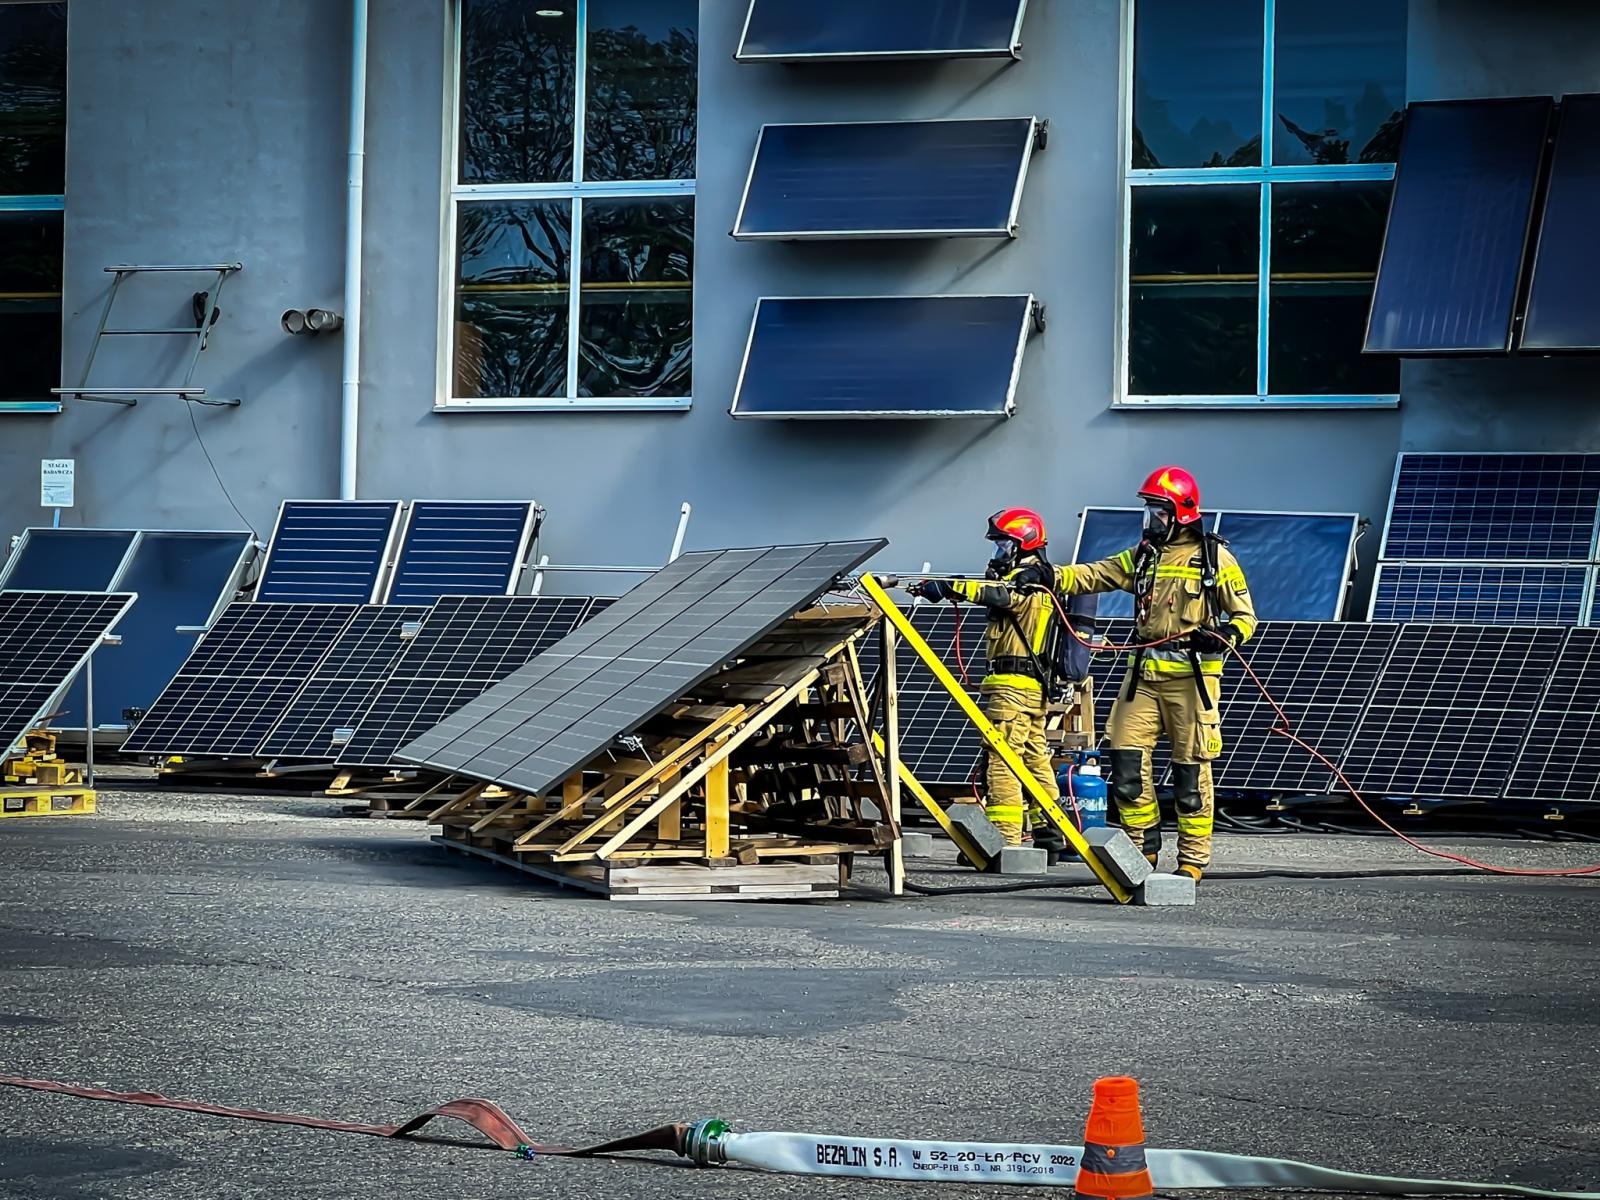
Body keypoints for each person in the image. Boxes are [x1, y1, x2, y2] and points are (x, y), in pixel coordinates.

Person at [1056, 467, 1256, 881]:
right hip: (1142, 681)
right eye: (1149, 509)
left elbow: (1245, 617)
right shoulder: (1144, 555)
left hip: (1192, 683)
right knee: (1125, 764)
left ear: (1181, 511)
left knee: (1190, 776)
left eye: (1158, 509)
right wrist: (1051, 575)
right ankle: (1141, 850)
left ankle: (1192, 861)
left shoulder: (1214, 558)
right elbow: (1097, 573)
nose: (1151, 518)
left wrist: (1222, 637)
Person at [909, 508, 1070, 856]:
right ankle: (1052, 836)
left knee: (1002, 760)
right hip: (1030, 688)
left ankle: (1005, 841)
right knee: (1033, 761)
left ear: (1021, 543)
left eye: (1002, 545)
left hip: (1012, 687)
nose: (997, 553)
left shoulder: (1027, 580)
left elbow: (997, 595)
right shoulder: (1034, 579)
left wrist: (950, 586)